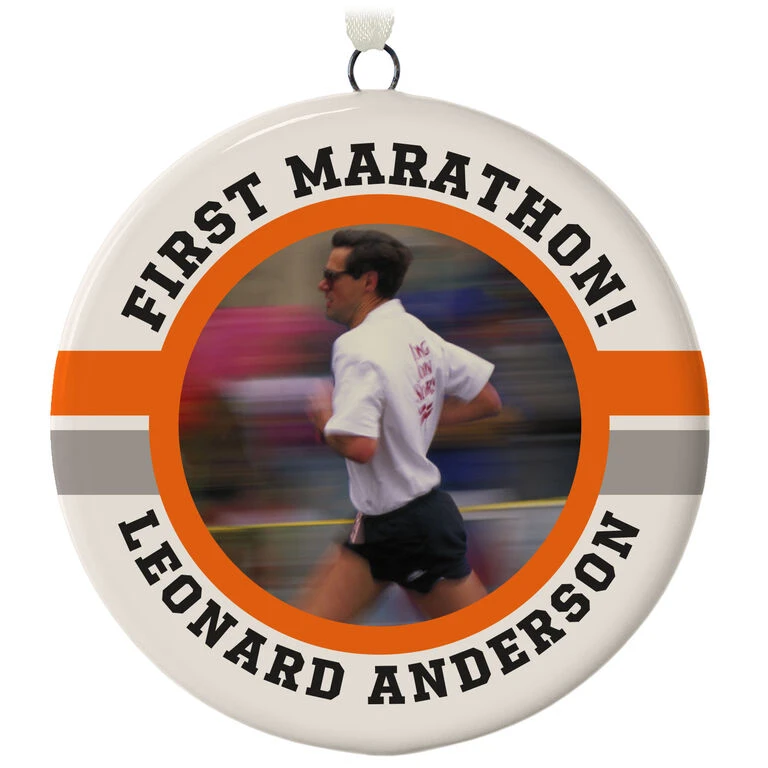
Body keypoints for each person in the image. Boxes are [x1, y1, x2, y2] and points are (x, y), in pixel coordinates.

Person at [302, 229, 502, 622]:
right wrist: (411, 424)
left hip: (410, 527)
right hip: (377, 524)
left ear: (368, 282)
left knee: (481, 642)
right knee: (304, 635)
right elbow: (486, 398)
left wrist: (325, 422)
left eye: (332, 276)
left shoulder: (355, 346)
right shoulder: (413, 329)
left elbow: (360, 446)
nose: (322, 284)